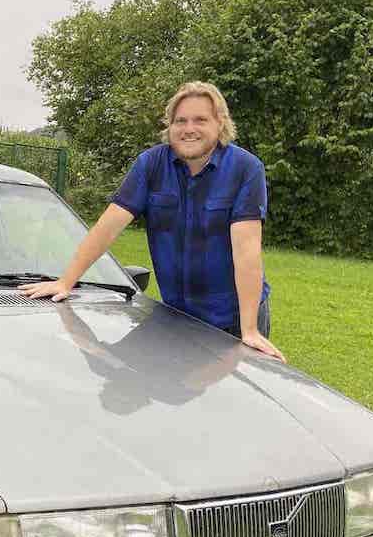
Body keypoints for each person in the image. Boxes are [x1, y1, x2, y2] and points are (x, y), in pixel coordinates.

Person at [20, 81, 285, 362]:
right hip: (178, 315)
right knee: (171, 392)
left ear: (220, 123)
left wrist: (249, 330)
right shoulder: (151, 164)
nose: (188, 128)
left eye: (200, 120)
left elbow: (246, 251)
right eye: (180, 121)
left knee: (230, 402)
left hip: (235, 317)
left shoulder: (246, 169)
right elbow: (107, 228)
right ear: (169, 126)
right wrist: (65, 281)